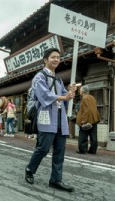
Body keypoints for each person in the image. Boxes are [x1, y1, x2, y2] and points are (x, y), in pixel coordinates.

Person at [24, 48, 76, 192]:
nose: (56, 60)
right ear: (45, 60)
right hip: (46, 116)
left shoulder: (58, 79)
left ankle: (56, 180)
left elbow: (66, 96)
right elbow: (44, 96)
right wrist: (64, 97)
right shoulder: (39, 77)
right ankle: (29, 169)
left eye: (58, 57)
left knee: (60, 150)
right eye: (53, 57)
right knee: (43, 148)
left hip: (60, 117)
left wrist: (71, 91)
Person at [76, 85, 100, 154]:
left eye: (80, 90)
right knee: (93, 136)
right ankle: (93, 150)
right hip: (94, 119)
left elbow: (86, 110)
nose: (79, 91)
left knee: (83, 136)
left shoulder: (84, 98)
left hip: (87, 120)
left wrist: (84, 120)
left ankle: (83, 150)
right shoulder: (92, 97)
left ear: (83, 91)